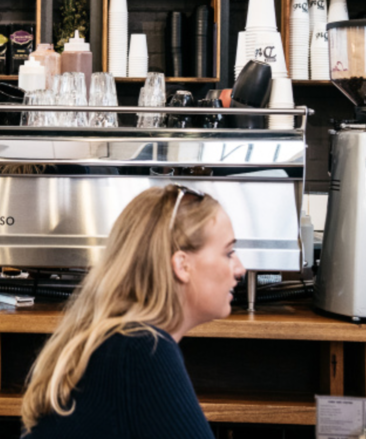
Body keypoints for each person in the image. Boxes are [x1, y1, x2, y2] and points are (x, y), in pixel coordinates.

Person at [21, 185, 246, 438]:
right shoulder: (141, 350)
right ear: (182, 265)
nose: (240, 269)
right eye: (228, 253)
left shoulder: (120, 342)